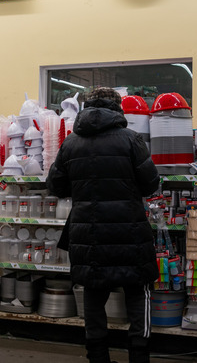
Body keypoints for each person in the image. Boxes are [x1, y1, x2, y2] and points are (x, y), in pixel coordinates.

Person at [47, 87, 159, 363]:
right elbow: (150, 184)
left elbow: (55, 186)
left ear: (86, 107)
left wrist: (83, 188)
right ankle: (139, 357)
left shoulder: (71, 143)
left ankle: (98, 358)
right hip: (130, 233)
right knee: (138, 293)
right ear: (118, 108)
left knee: (94, 296)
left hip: (89, 234)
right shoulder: (131, 139)